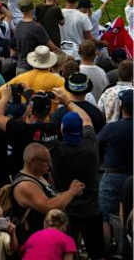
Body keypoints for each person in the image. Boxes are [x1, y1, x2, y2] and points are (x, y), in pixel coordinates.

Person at [49, 89, 104, 259]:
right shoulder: (90, 144)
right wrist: (68, 101)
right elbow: (86, 119)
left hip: (66, 207)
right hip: (91, 208)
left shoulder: (56, 150)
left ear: (62, 128)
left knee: (65, 252)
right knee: (96, 252)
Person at [8, 142, 85, 244]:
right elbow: (48, 206)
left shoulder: (40, 176)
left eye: (50, 160)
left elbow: (54, 198)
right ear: (32, 161)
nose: (49, 164)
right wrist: (71, 192)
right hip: (36, 242)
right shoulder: (25, 185)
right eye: (45, 161)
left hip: (49, 240)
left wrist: (69, 193)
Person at [97, 89, 133, 241]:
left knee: (105, 216)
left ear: (121, 107)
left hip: (113, 176)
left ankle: (110, 248)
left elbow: (97, 146)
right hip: (130, 176)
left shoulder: (111, 128)